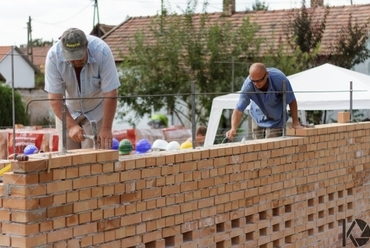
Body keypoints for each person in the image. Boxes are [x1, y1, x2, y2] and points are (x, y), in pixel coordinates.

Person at [44, 28, 120, 150]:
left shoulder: (102, 52)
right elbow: (54, 99)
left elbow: (110, 93)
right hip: (67, 111)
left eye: (79, 56)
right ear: (63, 51)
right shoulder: (54, 57)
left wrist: (106, 128)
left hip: (96, 111)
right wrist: (72, 125)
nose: (76, 61)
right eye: (72, 57)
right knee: (67, 159)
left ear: (86, 46)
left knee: (95, 159)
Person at [226, 63, 302, 140]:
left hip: (276, 118)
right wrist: (233, 128)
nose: (256, 84)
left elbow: (292, 101)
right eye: (254, 81)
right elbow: (239, 109)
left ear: (267, 75)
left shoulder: (280, 80)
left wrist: (295, 122)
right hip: (257, 116)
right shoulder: (248, 86)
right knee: (258, 147)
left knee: (271, 147)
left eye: (259, 81)